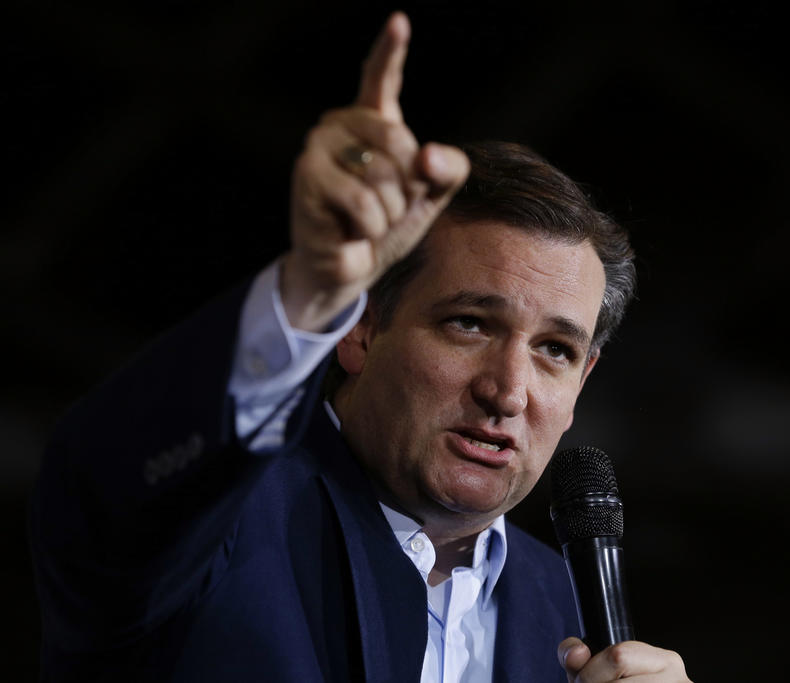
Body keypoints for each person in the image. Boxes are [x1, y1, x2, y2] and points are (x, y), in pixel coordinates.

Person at [29, 11, 692, 682]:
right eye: (469, 323)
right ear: (360, 326)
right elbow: (105, 480)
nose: (507, 389)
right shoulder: (218, 520)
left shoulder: (570, 615)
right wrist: (305, 295)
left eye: (555, 348)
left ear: (583, 381)